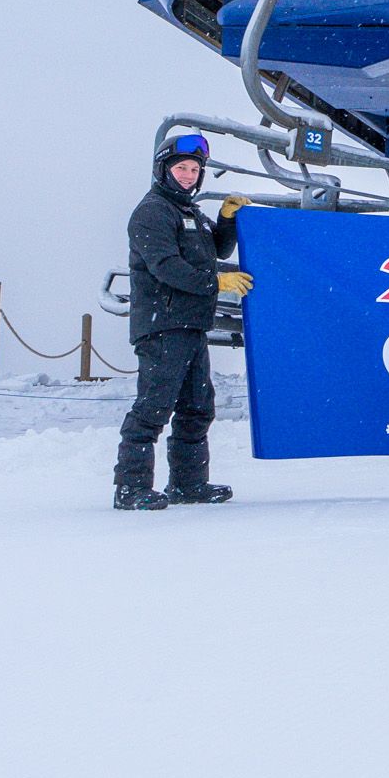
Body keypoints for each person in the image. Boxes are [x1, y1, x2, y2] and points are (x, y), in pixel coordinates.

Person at [113, 134, 253, 511]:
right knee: (154, 406)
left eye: (195, 170)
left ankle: (188, 485)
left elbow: (216, 250)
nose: (189, 176)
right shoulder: (153, 211)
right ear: (164, 170)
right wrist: (216, 282)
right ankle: (131, 488)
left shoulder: (188, 211)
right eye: (182, 168)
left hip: (191, 324)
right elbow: (166, 267)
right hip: (162, 326)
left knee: (197, 407)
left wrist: (225, 221)